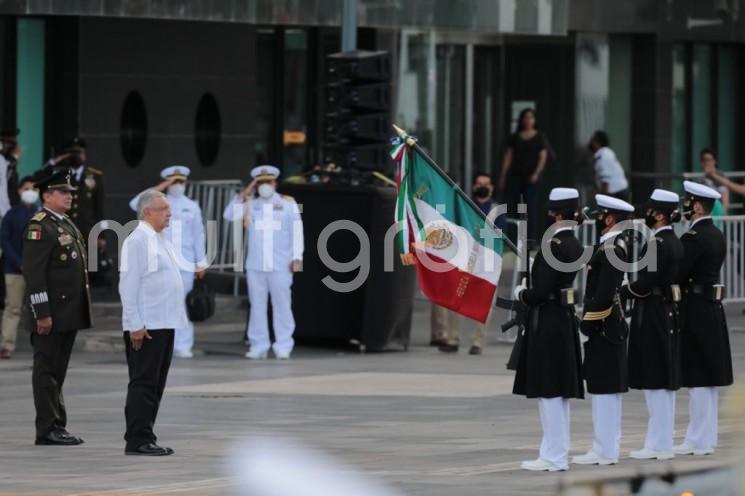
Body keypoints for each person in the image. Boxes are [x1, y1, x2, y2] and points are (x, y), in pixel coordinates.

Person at [513, 188, 584, 472]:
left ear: (556, 213)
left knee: (549, 391)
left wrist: (522, 294)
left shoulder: (553, 244)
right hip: (563, 318)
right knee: (558, 393)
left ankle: (554, 456)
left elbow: (541, 290)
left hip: (549, 319)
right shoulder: (572, 242)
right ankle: (555, 451)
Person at [23, 168, 91, 446]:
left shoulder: (65, 223)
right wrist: (42, 313)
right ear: (46, 196)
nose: (69, 197)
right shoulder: (40, 226)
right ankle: (47, 428)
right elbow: (34, 274)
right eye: (63, 193)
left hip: (67, 313)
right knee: (46, 371)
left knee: (57, 371)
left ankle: (57, 424)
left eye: (70, 193)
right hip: (51, 314)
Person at [120, 189, 186, 456]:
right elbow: (128, 285)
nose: (169, 213)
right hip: (146, 326)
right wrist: (134, 323)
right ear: (147, 212)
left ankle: (146, 434)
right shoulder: (138, 240)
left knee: (156, 383)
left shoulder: (159, 238)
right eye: (163, 209)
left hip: (164, 322)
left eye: (169, 209)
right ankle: (137, 439)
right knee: (144, 383)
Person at [621, 189, 683, 460]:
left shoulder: (657, 243)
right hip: (665, 310)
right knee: (662, 381)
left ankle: (659, 443)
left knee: (655, 380)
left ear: (658, 214)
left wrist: (625, 290)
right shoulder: (674, 240)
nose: (646, 215)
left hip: (654, 311)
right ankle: (661, 441)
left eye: (650, 211)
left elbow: (646, 282)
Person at [673, 181, 733, 457]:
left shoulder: (694, 237)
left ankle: (697, 438)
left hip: (695, 307)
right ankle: (706, 436)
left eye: (688, 201)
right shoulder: (716, 234)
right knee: (708, 378)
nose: (685, 206)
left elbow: (678, 272)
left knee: (697, 376)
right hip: (712, 307)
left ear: (696, 206)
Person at [572, 194, 633, 466]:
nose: (597, 220)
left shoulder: (611, 249)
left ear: (609, 218)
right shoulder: (610, 246)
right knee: (603, 389)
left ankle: (606, 449)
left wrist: (588, 322)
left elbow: (606, 293)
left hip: (605, 326)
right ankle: (604, 446)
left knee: (605, 390)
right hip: (607, 325)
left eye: (600, 216)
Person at [223, 165, 304, 360]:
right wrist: (247, 191)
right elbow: (228, 215)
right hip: (256, 264)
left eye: (268, 182)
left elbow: (297, 234)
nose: (265, 186)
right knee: (257, 305)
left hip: (281, 264)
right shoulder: (250, 203)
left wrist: (297, 260)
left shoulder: (288, 204)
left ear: (275, 183)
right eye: (261, 182)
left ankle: (283, 345)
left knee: (282, 305)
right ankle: (258, 345)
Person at [129, 166, 207, 358]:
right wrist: (161, 187)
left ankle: (184, 345)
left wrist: (201, 261)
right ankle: (162, 344)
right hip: (160, 261)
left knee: (181, 304)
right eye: (174, 182)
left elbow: (199, 234)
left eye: (180, 182)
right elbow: (134, 204)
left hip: (185, 262)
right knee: (160, 303)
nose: (177, 186)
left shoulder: (192, 205)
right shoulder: (157, 204)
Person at [438, 172, 503, 355]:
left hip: (488, 263)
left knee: (485, 304)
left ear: (491, 187)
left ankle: (477, 343)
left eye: (486, 183)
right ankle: (453, 339)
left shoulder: (497, 210)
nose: (483, 186)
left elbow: (499, 236)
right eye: (479, 183)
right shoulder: (465, 206)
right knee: (456, 298)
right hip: (465, 261)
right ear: (474, 186)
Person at [0, 176, 39, 358]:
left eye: (34, 189)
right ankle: (7, 345)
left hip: (37, 270)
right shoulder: (12, 214)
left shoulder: (41, 215)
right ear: (19, 191)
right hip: (15, 270)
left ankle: (40, 346)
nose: (31, 192)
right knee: (13, 308)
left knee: (39, 308)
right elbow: (5, 241)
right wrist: (19, 262)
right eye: (27, 188)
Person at [498, 108, 549, 243]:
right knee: (516, 206)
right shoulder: (514, 137)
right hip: (516, 176)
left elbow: (543, 156)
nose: (528, 120)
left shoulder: (539, 137)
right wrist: (503, 175)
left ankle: (531, 238)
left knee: (530, 206)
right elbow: (508, 156)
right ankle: (515, 237)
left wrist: (537, 173)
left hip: (531, 178)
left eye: (531, 117)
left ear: (534, 120)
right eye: (525, 117)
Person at [48, 138, 105, 245]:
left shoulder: (94, 176)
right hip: (65, 230)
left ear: (85, 154)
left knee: (88, 260)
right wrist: (55, 161)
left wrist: (101, 235)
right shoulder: (59, 175)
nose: (77, 156)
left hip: (88, 232)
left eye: (79, 153)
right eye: (73, 153)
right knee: (66, 259)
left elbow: (99, 209)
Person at [588, 131, 629, 202]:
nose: (591, 143)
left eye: (593, 140)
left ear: (598, 142)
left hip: (616, 193)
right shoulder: (606, 152)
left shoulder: (603, 155)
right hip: (617, 191)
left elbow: (605, 179)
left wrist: (603, 198)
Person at [698, 149, 729, 214]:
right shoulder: (701, 180)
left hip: (718, 213)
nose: (706, 163)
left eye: (709, 160)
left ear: (715, 161)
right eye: (704, 160)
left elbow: (725, 200)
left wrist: (722, 215)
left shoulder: (721, 176)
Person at [0, 127, 22, 211]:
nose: (12, 146)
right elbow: (5, 177)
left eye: (14, 143)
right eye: (9, 142)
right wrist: (14, 158)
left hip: (8, 206)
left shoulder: (7, 160)